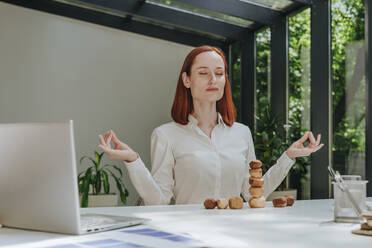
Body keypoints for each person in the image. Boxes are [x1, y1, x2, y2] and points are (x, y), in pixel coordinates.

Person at [98, 46, 323, 205]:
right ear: (187, 80)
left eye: (219, 73)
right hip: (188, 234)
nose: (213, 80)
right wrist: (133, 160)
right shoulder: (165, 135)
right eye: (203, 73)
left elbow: (253, 191)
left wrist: (289, 157)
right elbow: (159, 200)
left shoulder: (242, 133)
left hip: (236, 233)